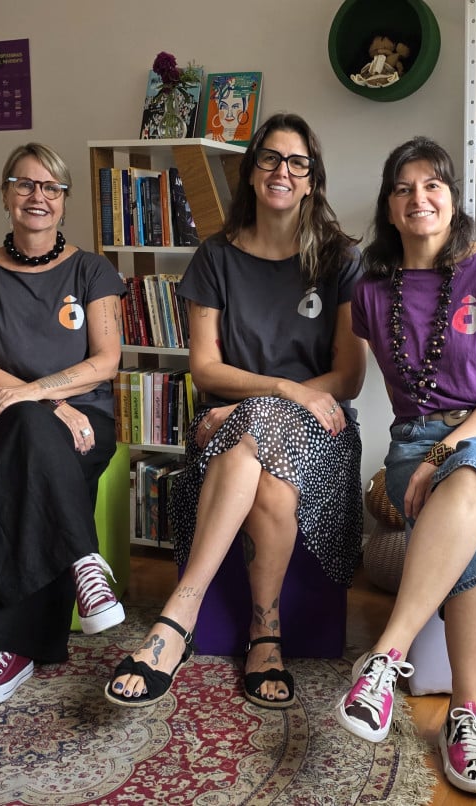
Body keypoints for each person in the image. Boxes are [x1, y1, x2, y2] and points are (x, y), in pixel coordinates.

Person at [105, 113, 366, 709]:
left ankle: (177, 620)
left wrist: (266, 404)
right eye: (270, 159)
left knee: (256, 436)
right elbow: (205, 368)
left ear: (311, 180)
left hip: (319, 434)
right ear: (251, 174)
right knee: (270, 485)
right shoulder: (215, 258)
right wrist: (281, 391)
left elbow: (349, 376)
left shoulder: (340, 258)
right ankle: (264, 636)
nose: (282, 171)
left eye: (297, 162)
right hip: (229, 437)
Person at [336, 137, 476, 795]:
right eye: (403, 188)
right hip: (414, 448)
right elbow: (348, 376)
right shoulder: (370, 291)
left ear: (453, 197)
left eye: (432, 184)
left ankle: (385, 658)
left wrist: (446, 450)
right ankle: (467, 719)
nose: (419, 198)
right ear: (388, 207)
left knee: (471, 473)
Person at [0, 142, 127, 709]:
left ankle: (11, 650)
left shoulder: (92, 269)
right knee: (26, 427)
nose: (37, 196)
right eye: (24, 184)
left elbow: (106, 362)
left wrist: (37, 396)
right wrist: (43, 404)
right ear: (5, 194)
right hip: (5, 416)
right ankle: (82, 560)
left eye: (50, 187)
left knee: (26, 456)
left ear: (66, 201)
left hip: (84, 421)